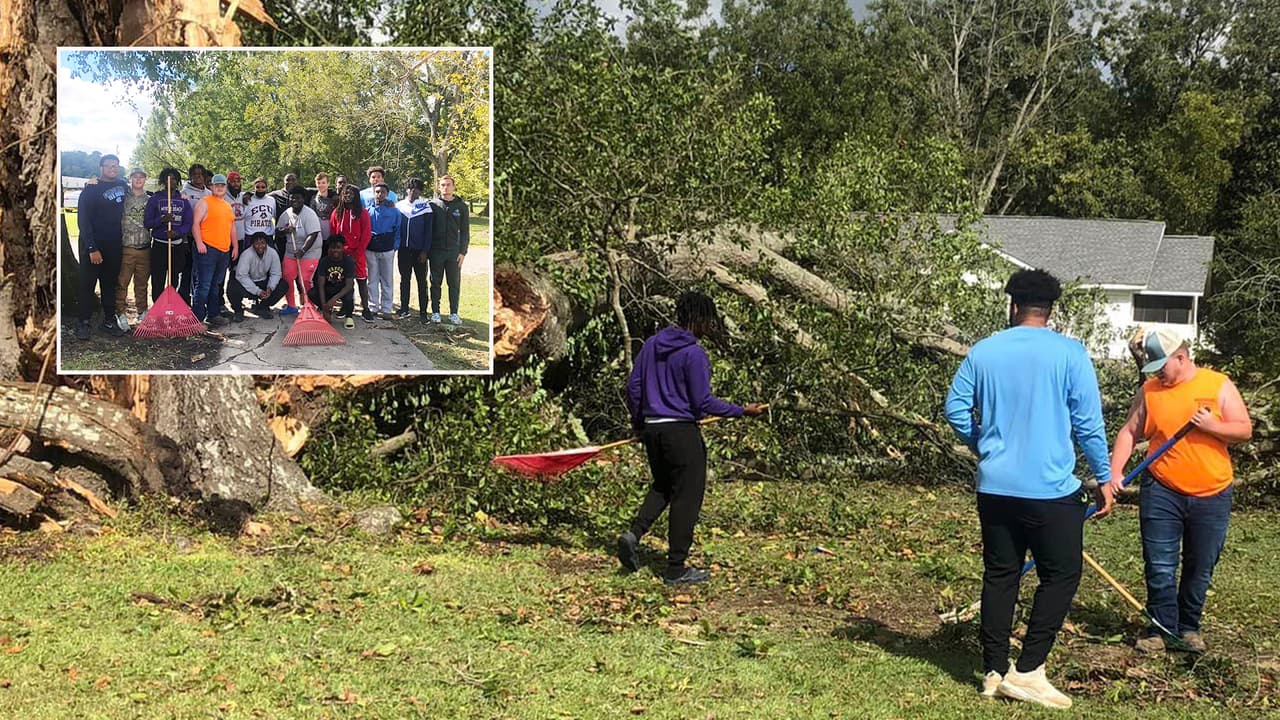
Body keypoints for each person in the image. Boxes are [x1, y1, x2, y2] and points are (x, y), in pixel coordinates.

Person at [943, 268, 1112, 710]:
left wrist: (982, 443)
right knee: (1061, 574)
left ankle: (994, 671)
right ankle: (1029, 668)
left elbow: (955, 408)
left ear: (1012, 305)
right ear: (1050, 309)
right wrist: (1105, 476)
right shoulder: (1070, 353)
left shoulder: (984, 351)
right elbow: (1088, 425)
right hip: (1050, 489)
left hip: (996, 486)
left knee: (1001, 574)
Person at [1107, 329, 1252, 655]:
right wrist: (1115, 472)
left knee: (1200, 565)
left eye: (1162, 365)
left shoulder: (1217, 384)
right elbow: (1129, 432)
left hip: (1213, 492)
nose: (1158, 372)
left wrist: (1212, 427)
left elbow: (1243, 429)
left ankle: (1188, 628)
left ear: (1181, 358)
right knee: (1159, 564)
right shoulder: (1151, 390)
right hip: (1162, 488)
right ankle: (1159, 628)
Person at [617, 291, 767, 585]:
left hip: (653, 429)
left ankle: (633, 534)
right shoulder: (694, 354)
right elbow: (702, 403)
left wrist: (639, 424)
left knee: (663, 486)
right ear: (697, 318)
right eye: (708, 320)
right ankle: (676, 569)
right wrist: (742, 411)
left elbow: (633, 387)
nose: (709, 326)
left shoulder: (650, 345)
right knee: (687, 496)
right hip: (681, 433)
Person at [73, 154, 128, 340]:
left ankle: (109, 320)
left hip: (114, 244)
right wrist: (91, 248)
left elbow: (140, 194)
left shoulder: (123, 186)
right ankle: (83, 321)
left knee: (109, 283)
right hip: (94, 244)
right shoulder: (90, 190)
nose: (113, 168)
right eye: (109, 165)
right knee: (87, 284)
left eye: (116, 165)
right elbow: (83, 221)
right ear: (101, 167)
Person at [190, 173, 238, 326]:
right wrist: (199, 243)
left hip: (223, 250)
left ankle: (213, 314)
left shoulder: (227, 206)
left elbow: (232, 227)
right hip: (207, 249)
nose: (219, 187)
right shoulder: (204, 202)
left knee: (216, 284)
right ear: (211, 186)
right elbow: (195, 224)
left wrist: (235, 246)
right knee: (203, 284)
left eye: (222, 185)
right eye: (216, 185)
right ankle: (196, 318)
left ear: (225, 187)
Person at [144, 167, 193, 305]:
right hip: (160, 245)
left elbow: (188, 222)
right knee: (158, 279)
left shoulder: (183, 200)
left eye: (174, 179)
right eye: (168, 178)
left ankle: (171, 306)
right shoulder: (155, 199)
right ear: (163, 181)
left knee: (174, 279)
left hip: (176, 246)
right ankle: (158, 307)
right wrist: (162, 220)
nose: (171, 181)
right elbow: (147, 223)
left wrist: (177, 232)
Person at [275, 186, 324, 315]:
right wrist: (284, 230)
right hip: (291, 251)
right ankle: (291, 305)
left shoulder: (309, 214)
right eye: (292, 197)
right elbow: (277, 231)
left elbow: (313, 235)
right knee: (287, 276)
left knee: (305, 279)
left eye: (298, 197)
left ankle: (310, 305)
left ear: (303, 199)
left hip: (310, 252)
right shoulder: (286, 214)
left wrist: (302, 250)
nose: (294, 200)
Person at [428, 175, 469, 325]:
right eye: (443, 185)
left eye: (448, 185)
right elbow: (428, 230)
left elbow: (465, 232)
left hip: (454, 252)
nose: (446, 188)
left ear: (454, 187)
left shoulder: (461, 206)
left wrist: (463, 252)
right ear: (439, 187)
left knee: (454, 283)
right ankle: (435, 312)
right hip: (436, 251)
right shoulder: (432, 205)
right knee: (435, 282)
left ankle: (453, 313)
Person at [115, 166, 152, 330]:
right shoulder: (122, 195)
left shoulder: (150, 199)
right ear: (130, 178)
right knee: (122, 282)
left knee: (142, 283)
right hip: (126, 246)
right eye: (135, 177)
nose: (138, 180)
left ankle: (142, 311)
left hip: (144, 246)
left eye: (141, 177)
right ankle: (120, 313)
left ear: (145, 179)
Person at [330, 184, 372, 322]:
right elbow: (333, 234)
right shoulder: (337, 213)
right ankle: (346, 307)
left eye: (351, 194)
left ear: (356, 196)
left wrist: (357, 254)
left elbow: (366, 235)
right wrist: (336, 252)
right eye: (345, 194)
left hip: (357, 254)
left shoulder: (362, 213)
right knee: (343, 283)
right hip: (341, 254)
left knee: (361, 281)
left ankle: (366, 309)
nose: (347, 196)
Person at [395, 178, 432, 320]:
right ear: (407, 190)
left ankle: (423, 312)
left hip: (419, 251)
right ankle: (404, 308)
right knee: (405, 279)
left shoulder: (425, 207)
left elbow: (429, 232)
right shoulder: (399, 206)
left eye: (416, 189)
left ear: (420, 192)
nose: (412, 191)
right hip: (404, 250)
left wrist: (425, 251)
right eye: (410, 188)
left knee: (422, 281)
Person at [228, 232, 285, 321]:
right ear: (253, 244)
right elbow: (241, 276)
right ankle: (238, 310)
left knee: (283, 285)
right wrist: (257, 291)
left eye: (262, 243)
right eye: (257, 243)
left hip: (263, 281)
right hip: (248, 283)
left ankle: (262, 307)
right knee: (233, 285)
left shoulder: (273, 253)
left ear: (266, 244)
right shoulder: (246, 254)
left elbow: (276, 273)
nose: (260, 246)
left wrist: (270, 288)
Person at [365, 183, 402, 319]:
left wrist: (395, 246)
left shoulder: (394, 211)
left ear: (387, 194)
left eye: (383, 192)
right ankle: (372, 307)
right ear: (374, 193)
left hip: (387, 248)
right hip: (371, 248)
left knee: (387, 280)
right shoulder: (368, 211)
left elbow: (398, 229)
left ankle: (386, 309)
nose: (380, 194)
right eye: (377, 192)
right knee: (372, 278)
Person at [309, 235, 356, 329]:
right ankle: (326, 311)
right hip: (328, 288)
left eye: (338, 247)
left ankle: (349, 316)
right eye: (332, 247)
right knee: (312, 293)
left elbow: (349, 285)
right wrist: (324, 307)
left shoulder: (349, 261)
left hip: (342, 289)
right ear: (329, 248)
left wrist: (334, 299)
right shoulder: (324, 261)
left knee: (349, 295)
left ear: (343, 248)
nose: (335, 250)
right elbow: (321, 285)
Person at [309, 172, 339, 242]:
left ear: (328, 183)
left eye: (323, 183)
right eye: (318, 183)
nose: (321, 185)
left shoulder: (334, 198)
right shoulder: (313, 198)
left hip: (331, 232)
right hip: (317, 232)